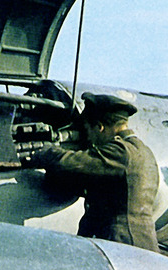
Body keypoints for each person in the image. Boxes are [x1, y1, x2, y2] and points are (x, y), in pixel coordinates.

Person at [25, 92, 160, 251]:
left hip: (120, 243)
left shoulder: (121, 152)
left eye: (88, 130)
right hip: (139, 243)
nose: (88, 137)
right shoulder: (143, 151)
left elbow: (71, 162)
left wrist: (46, 151)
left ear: (99, 127)